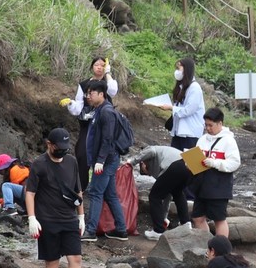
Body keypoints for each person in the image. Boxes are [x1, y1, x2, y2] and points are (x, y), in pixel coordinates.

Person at [25, 128, 86, 268]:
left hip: (69, 218)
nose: (62, 151)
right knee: (52, 260)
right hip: (47, 219)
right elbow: (30, 193)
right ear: (49, 145)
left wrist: (81, 216)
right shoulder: (39, 164)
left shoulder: (71, 161)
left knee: (75, 258)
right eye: (59, 147)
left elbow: (77, 190)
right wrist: (32, 218)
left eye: (65, 147)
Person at [81, 80, 129, 242]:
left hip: (106, 160)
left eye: (91, 93)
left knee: (95, 193)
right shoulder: (99, 110)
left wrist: (100, 160)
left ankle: (90, 231)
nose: (88, 96)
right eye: (87, 93)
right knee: (110, 195)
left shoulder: (106, 112)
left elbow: (108, 139)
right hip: (107, 159)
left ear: (101, 94)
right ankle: (121, 230)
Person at [62, 56, 118, 191]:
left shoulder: (107, 83)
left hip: (103, 123)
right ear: (92, 67)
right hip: (87, 123)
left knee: (104, 153)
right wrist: (70, 103)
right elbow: (79, 106)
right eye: (96, 65)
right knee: (82, 153)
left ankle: (102, 187)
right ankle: (81, 187)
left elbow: (113, 91)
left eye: (102, 65)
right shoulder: (84, 84)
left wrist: (108, 73)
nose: (99, 67)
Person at [191, 107, 241, 237]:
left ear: (220, 123)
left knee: (219, 219)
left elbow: (235, 163)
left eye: (210, 125)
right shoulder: (202, 139)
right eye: (206, 125)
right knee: (197, 217)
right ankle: (206, 244)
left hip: (219, 186)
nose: (208, 128)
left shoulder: (228, 140)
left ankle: (220, 247)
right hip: (202, 184)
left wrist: (215, 163)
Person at [127, 144, 187, 239]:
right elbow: (167, 195)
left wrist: (131, 162)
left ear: (143, 162)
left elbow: (150, 151)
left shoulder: (151, 151)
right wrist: (164, 217)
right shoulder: (161, 158)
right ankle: (186, 224)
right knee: (177, 193)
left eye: (146, 170)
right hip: (188, 167)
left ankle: (158, 231)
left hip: (175, 165)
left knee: (154, 197)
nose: (148, 173)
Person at [153, 58, 204, 150]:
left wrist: (171, 108)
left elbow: (189, 110)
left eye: (179, 68)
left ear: (187, 69)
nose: (177, 71)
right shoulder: (182, 87)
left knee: (189, 158)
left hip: (190, 133)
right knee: (175, 157)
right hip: (179, 131)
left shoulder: (195, 88)